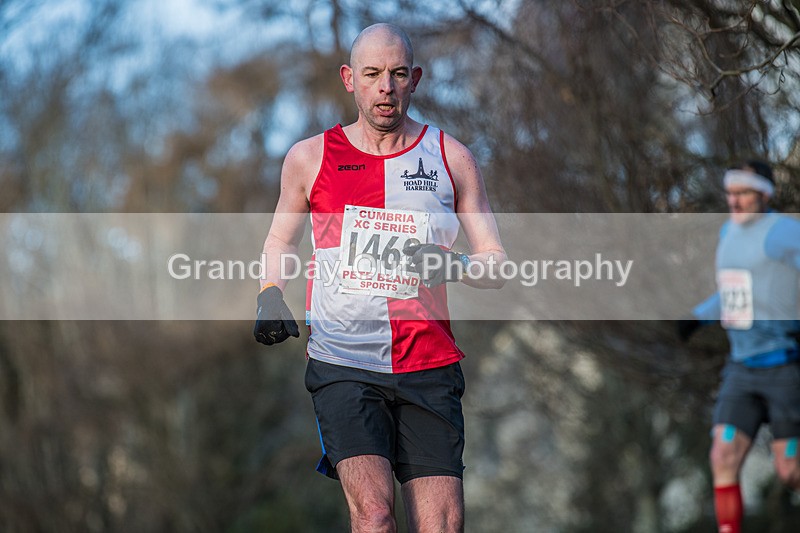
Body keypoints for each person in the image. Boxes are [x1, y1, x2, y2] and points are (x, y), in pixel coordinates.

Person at [253, 23, 507, 533]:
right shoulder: (309, 157)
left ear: (415, 78)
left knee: (442, 527)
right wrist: (269, 294)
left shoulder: (452, 158)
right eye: (372, 74)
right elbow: (281, 241)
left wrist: (452, 265)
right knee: (374, 517)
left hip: (427, 362)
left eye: (396, 74)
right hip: (343, 361)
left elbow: (495, 262)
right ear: (350, 79)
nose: (385, 87)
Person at [678, 160, 800, 533]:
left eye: (743, 193)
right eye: (730, 193)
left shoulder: (782, 231)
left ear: (764, 193)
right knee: (722, 454)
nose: (734, 200)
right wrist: (698, 317)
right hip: (741, 369)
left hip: (784, 367)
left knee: (789, 470)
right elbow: (734, 291)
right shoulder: (728, 233)